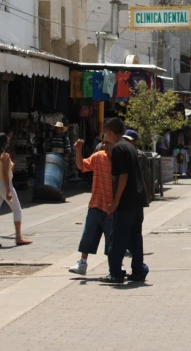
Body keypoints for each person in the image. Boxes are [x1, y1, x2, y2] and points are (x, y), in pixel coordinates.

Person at [100, 117, 148, 284]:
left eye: (106, 132)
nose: (105, 136)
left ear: (111, 131)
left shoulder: (119, 149)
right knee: (135, 238)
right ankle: (138, 270)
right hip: (137, 200)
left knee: (118, 238)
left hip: (125, 202)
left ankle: (115, 273)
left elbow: (123, 176)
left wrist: (115, 201)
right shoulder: (130, 147)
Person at [69, 137, 114, 275]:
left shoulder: (119, 160)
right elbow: (81, 165)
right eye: (104, 142)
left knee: (112, 240)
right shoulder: (98, 156)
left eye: (108, 142)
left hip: (111, 207)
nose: (104, 145)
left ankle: (116, 266)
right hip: (95, 204)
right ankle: (82, 263)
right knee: (88, 235)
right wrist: (77, 150)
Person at [0, 133, 32, 248]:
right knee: (17, 209)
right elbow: (5, 174)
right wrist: (8, 190)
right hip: (4, 185)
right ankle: (18, 237)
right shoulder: (5, 156)